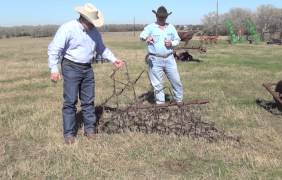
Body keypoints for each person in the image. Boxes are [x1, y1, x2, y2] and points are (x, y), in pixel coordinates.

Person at [48, 3, 125, 144]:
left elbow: (102, 48)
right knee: (70, 102)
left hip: (87, 68)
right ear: (84, 18)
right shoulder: (68, 28)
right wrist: (54, 69)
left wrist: (115, 59)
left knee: (88, 101)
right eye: (92, 22)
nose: (94, 25)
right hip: (70, 66)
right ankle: (69, 134)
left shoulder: (94, 32)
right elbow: (54, 49)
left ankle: (90, 130)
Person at [140, 6, 183, 105]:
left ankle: (179, 101)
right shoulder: (150, 27)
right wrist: (147, 38)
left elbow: (177, 40)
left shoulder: (171, 27)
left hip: (169, 58)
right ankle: (160, 105)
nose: (161, 19)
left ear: (166, 17)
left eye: (163, 17)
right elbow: (142, 36)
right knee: (157, 84)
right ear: (156, 16)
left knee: (176, 81)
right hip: (155, 59)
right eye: (160, 17)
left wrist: (171, 43)